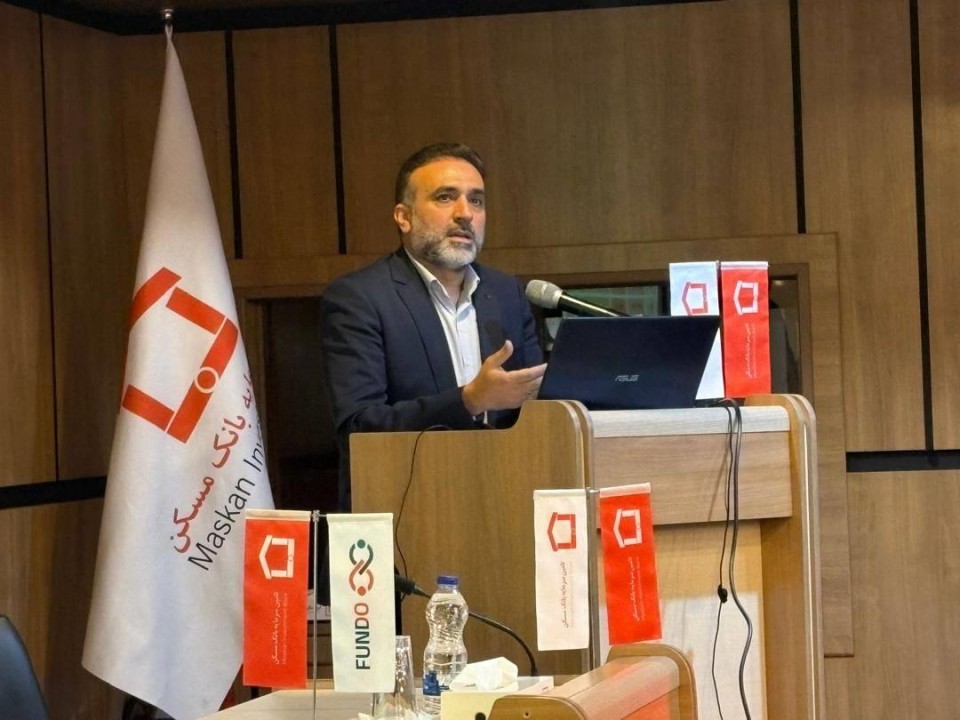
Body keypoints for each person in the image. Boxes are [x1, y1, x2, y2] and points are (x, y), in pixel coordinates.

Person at [319, 142, 546, 509]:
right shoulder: (358, 299)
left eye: (476, 201)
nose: (465, 214)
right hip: (408, 510)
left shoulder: (506, 293)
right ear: (404, 217)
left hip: (505, 502)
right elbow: (359, 427)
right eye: (445, 197)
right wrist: (469, 400)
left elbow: (539, 405)